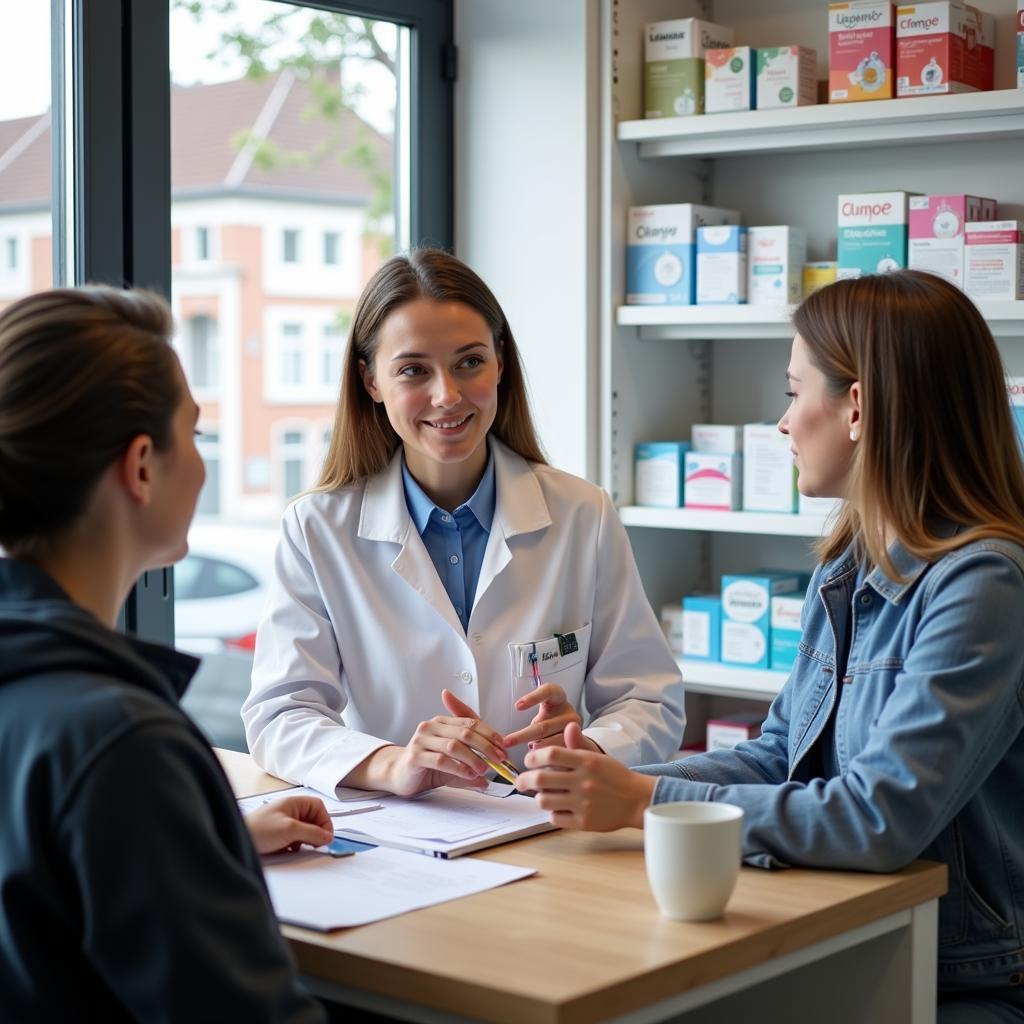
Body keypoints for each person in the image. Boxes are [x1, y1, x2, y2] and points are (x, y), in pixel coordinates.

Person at [515, 269, 1024, 1020]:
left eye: (793, 391)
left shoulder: (983, 586)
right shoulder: (852, 563)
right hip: (853, 927)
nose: (782, 423)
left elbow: (877, 819)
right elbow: (777, 754)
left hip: (956, 976)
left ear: (858, 407)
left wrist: (645, 799)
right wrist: (611, 773)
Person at [0, 287, 334, 1021]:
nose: (204, 465)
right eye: (197, 434)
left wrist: (195, 838)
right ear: (143, 466)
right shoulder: (118, 742)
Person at [243, 249, 683, 798]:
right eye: (413, 370)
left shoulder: (582, 513)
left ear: (500, 361)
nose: (447, 395)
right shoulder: (316, 529)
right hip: (395, 842)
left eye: (469, 362)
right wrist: (393, 764)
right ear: (371, 381)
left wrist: (588, 749)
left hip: (544, 828)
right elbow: (280, 714)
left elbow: (649, 699)